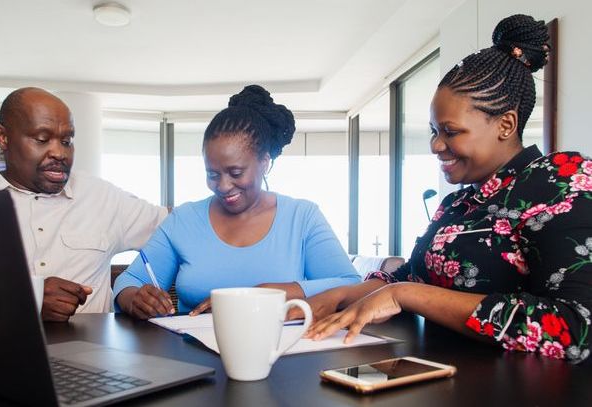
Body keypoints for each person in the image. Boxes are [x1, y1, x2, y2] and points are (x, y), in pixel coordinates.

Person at [295, 14, 591, 363]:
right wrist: (343, 294)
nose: (436, 145)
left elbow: (575, 327)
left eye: (450, 132)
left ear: (506, 124)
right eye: (435, 131)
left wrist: (406, 295)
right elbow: (410, 276)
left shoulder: (562, 181)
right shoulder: (459, 203)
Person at [113, 85, 361, 319]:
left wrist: (268, 293)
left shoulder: (302, 217)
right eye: (212, 174)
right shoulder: (184, 220)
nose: (222, 186)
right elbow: (129, 280)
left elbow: (350, 284)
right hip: (193, 357)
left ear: (264, 162)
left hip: (280, 353)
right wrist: (135, 297)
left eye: (235, 173)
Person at [0, 87, 167, 321]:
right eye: (42, 139)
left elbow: (180, 225)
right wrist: (27, 301)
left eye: (67, 141)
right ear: (3, 137)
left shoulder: (103, 197)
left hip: (92, 356)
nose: (59, 153)